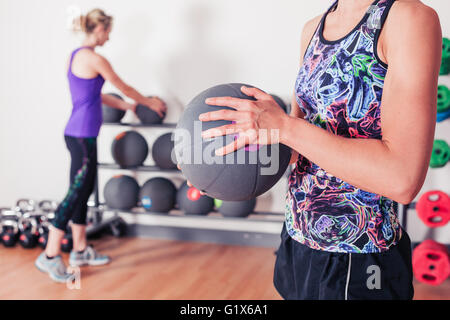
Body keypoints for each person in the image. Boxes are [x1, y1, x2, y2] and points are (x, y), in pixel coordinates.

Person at [198, 0, 441, 299]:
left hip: (359, 254)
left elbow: (402, 179)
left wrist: (285, 126)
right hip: (296, 239)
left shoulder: (408, 19)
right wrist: (220, 166)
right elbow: (297, 149)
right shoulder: (313, 28)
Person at [35, 8, 167, 283]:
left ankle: (80, 249)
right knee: (75, 194)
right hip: (82, 136)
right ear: (98, 29)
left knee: (82, 194)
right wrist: (148, 102)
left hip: (80, 135)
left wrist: (127, 106)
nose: (108, 37)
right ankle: (49, 255)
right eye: (108, 32)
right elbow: (123, 85)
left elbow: (95, 96)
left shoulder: (76, 56)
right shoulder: (95, 58)